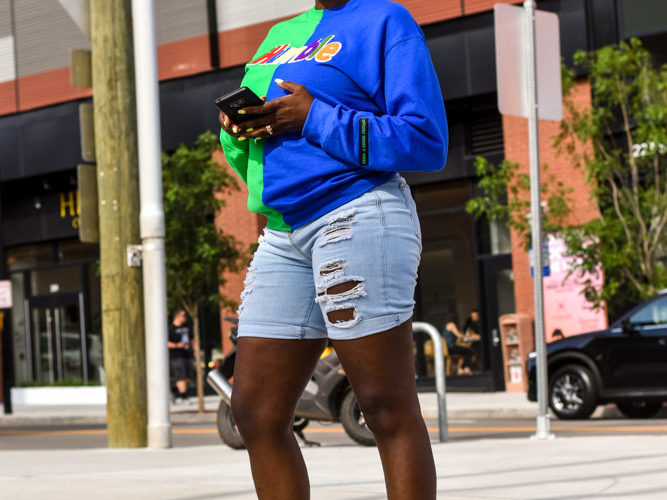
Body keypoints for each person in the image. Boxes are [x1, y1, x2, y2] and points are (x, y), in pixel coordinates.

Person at [218, 0, 448, 498]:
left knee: (383, 405)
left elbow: (426, 140)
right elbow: (261, 148)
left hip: (356, 211)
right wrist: (240, 131)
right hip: (283, 232)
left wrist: (315, 117)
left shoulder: (386, 21)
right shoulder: (280, 33)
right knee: (255, 411)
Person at [167, 309, 192, 402]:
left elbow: (192, 340)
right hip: (176, 356)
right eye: (183, 315)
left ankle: (174, 392)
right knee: (181, 376)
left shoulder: (186, 328)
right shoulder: (170, 329)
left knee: (187, 377)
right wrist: (177, 345)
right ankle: (184, 397)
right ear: (177, 316)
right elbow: (165, 342)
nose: (185, 317)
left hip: (187, 355)